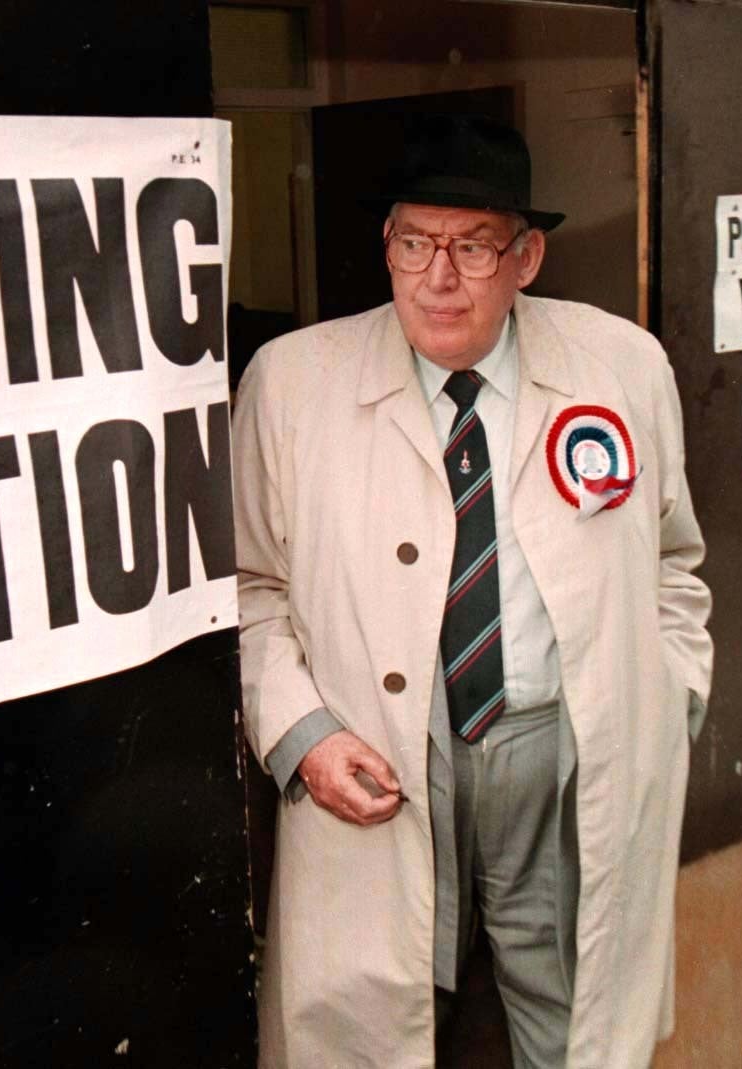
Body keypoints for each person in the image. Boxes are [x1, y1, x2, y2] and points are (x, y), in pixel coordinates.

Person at [232, 116, 713, 1069]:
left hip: (560, 752)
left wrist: (666, 702)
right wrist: (303, 736)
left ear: (528, 257)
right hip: (376, 760)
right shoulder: (291, 383)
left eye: (473, 247)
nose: (438, 276)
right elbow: (250, 589)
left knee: (573, 1021)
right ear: (387, 246)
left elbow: (673, 562)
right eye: (414, 242)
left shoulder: (622, 368)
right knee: (375, 1027)